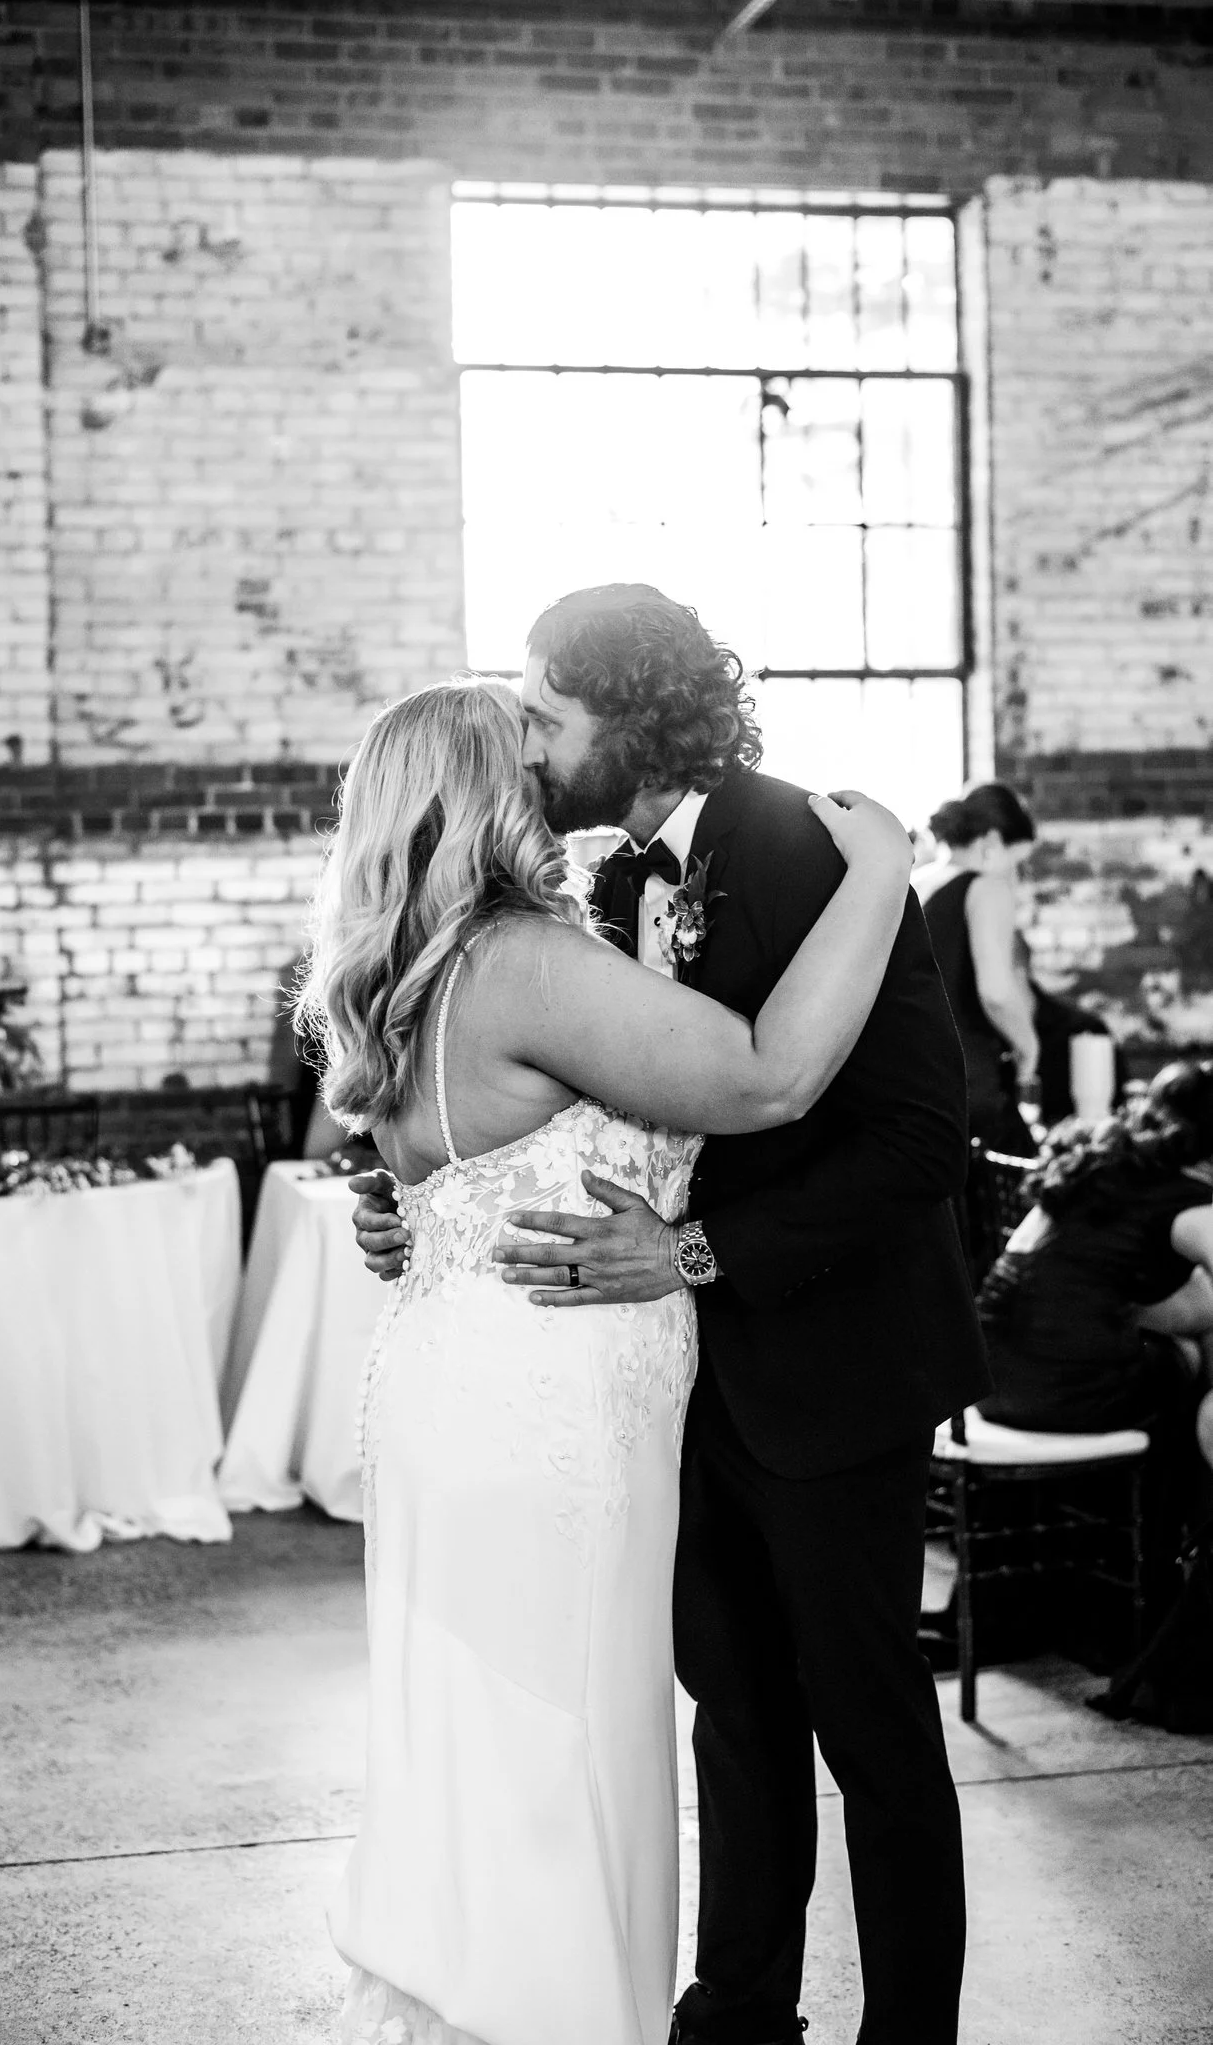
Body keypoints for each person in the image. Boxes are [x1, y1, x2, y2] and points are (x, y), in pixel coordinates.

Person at [350, 585, 991, 2045]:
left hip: (831, 1365)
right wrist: (437, 1206)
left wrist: (696, 1256)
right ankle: (739, 2012)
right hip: (666, 1388)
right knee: (735, 1714)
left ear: (629, 717)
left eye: (547, 714)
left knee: (871, 1732)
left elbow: (914, 1146)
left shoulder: (809, 853)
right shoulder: (605, 881)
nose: (527, 743)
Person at [977, 1058, 1213, 1605]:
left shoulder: (1104, 1163)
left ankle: (1119, 1566)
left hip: (988, 1382)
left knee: (1174, 1344)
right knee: (1185, 1370)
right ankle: (1163, 1575)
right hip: (1064, 1392)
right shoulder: (1187, 1198)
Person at [914, 782, 1039, 1156]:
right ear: (992, 843)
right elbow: (996, 993)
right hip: (966, 1082)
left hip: (913, 1080)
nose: (1016, 878)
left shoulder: (914, 883)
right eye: (1018, 863)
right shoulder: (985, 889)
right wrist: (1029, 1047)